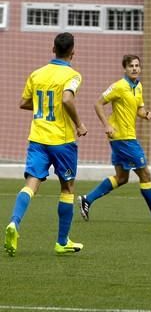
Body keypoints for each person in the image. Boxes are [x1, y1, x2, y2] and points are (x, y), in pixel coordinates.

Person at [4, 32, 88, 256]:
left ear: (53, 50)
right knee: (67, 188)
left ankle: (14, 222)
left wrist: (44, 107)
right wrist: (79, 124)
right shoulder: (73, 75)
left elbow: (23, 102)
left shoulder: (37, 74)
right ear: (73, 52)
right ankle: (62, 242)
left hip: (38, 138)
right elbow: (67, 98)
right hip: (62, 141)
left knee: (31, 183)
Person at [77, 54, 151, 224]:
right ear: (125, 68)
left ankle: (87, 199)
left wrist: (145, 114)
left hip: (125, 138)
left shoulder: (138, 87)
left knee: (122, 178)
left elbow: (139, 109)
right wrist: (106, 125)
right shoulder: (119, 86)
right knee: (145, 174)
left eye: (137, 65)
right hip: (123, 138)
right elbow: (98, 103)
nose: (135, 69)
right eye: (131, 66)